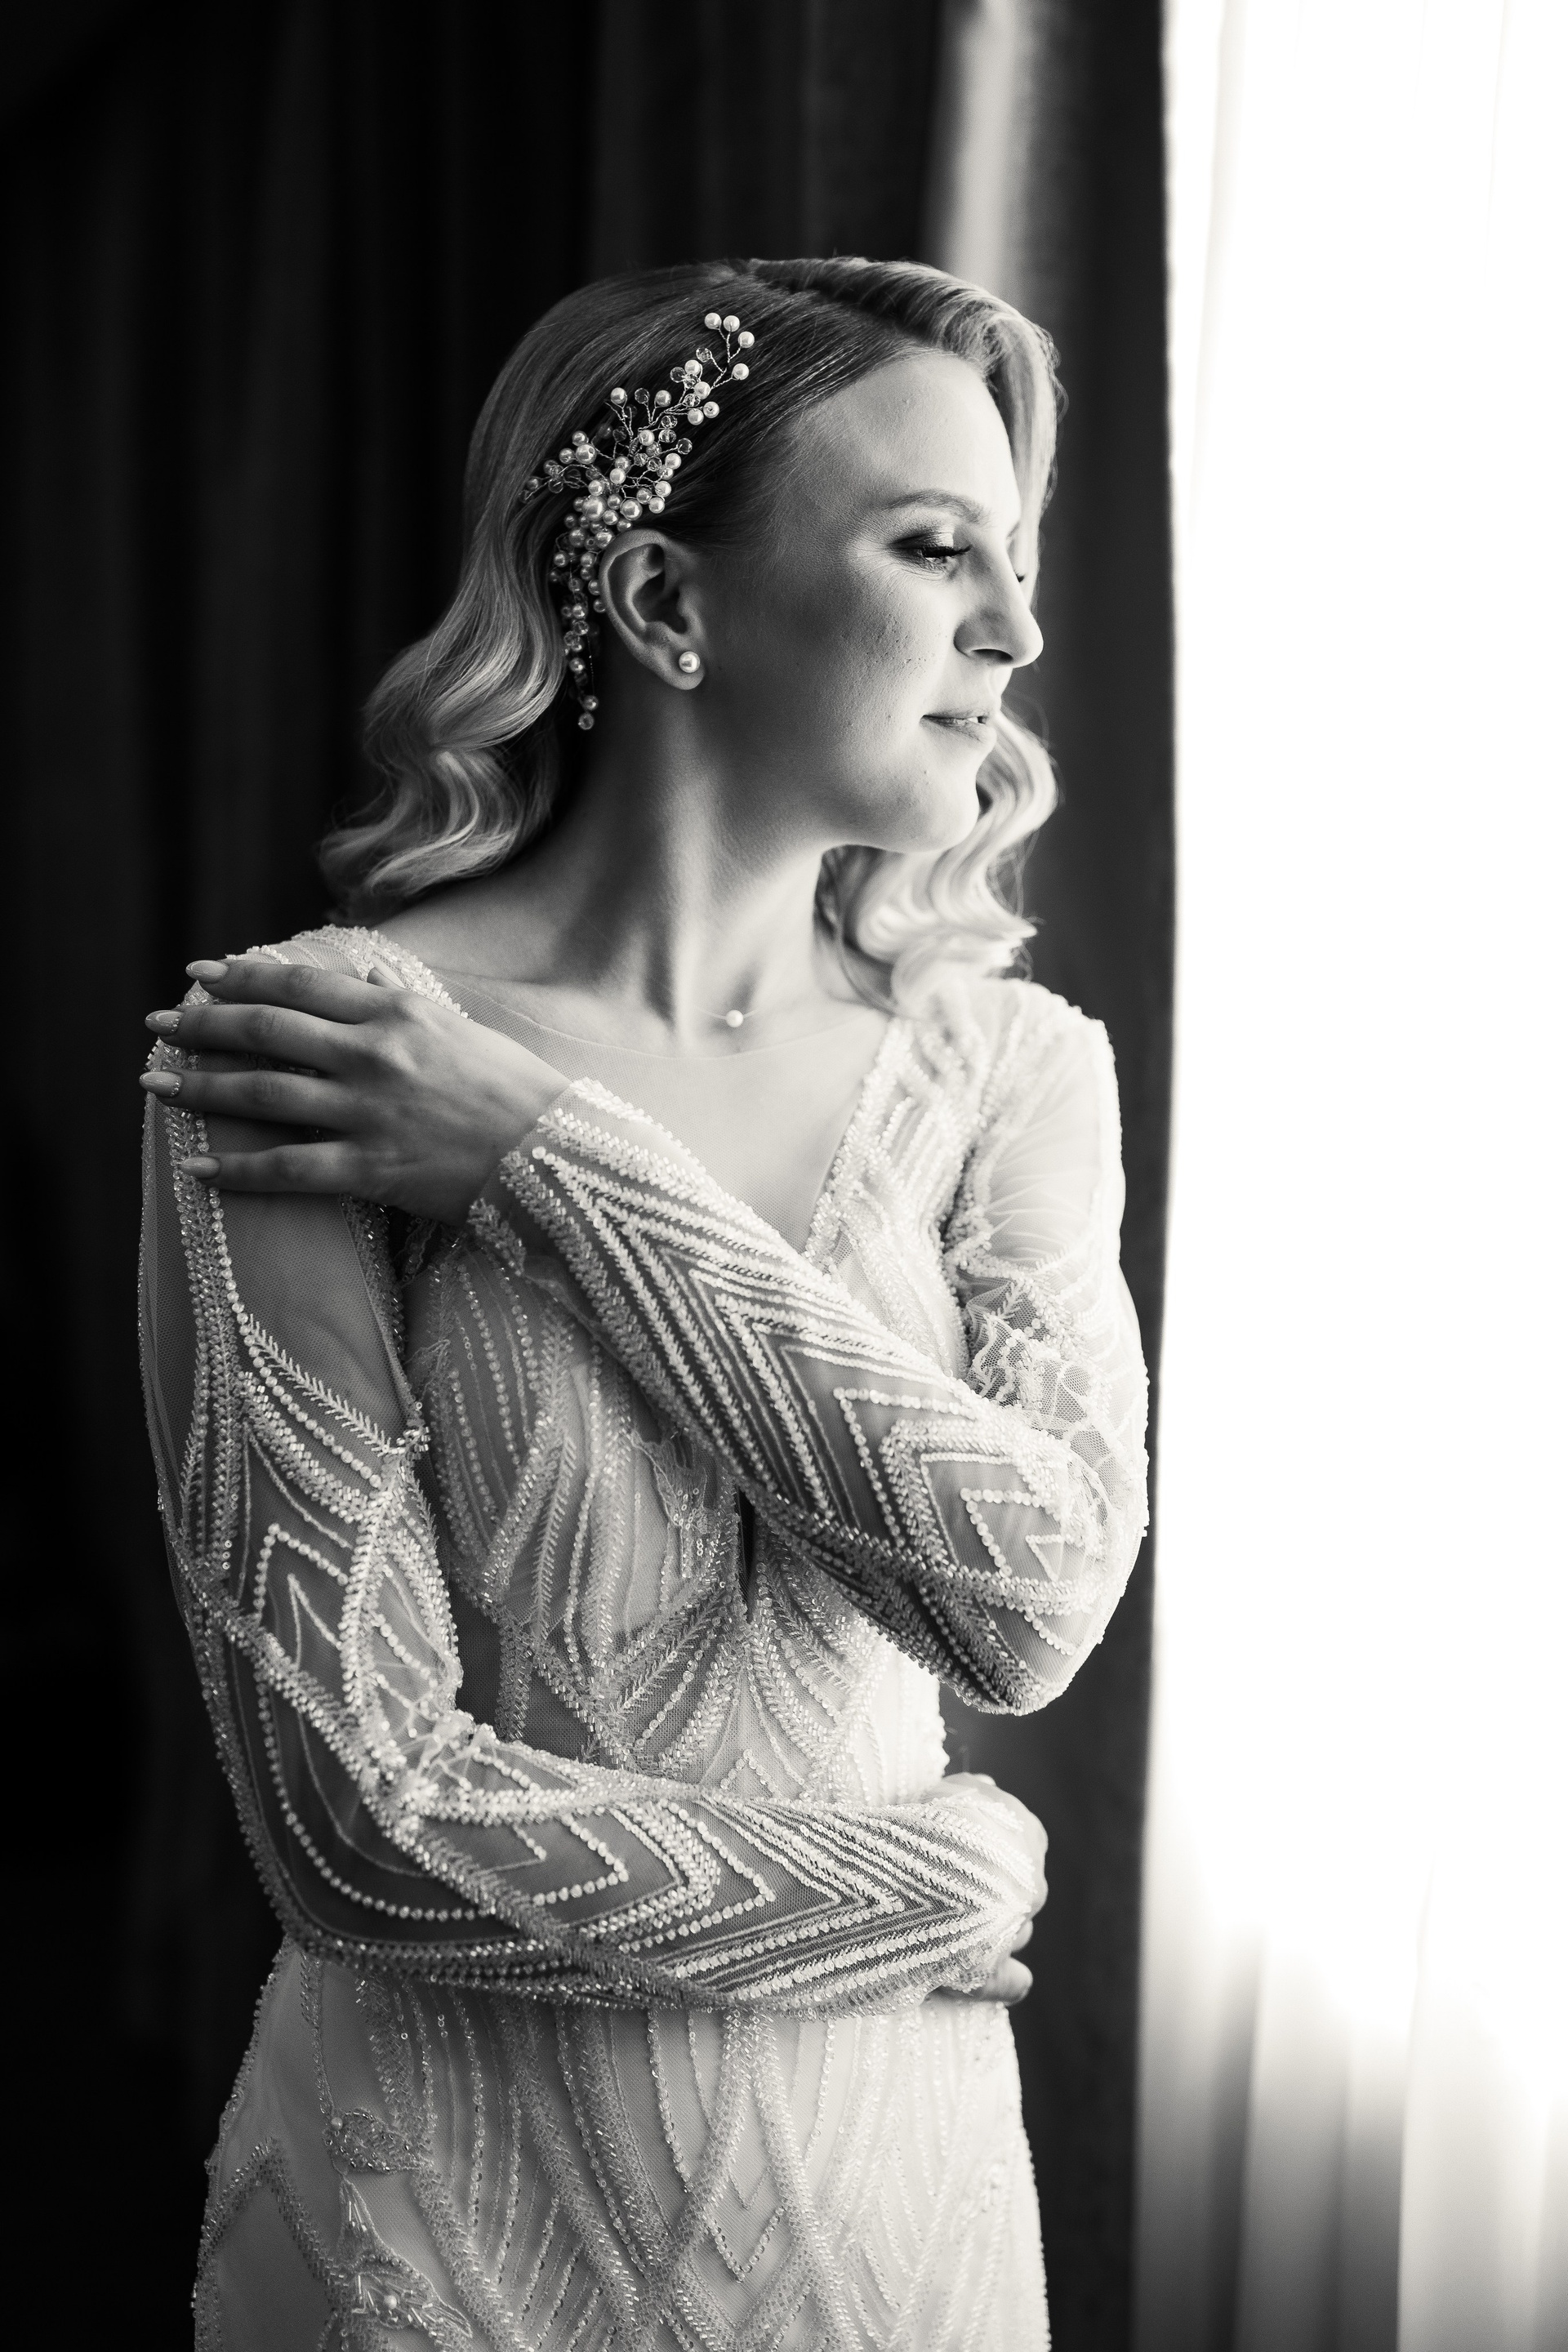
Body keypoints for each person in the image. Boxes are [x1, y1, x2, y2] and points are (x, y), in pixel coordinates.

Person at [138, 255, 1148, 2350]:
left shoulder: (1012, 1072)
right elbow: (361, 1829)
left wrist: (548, 1162)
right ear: (669, 599)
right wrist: (929, 1887)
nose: (1017, 631)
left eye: (1016, 558)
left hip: (897, 2221)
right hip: (448, 2226)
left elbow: (1033, 1600)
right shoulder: (310, 1055)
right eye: (933, 548)